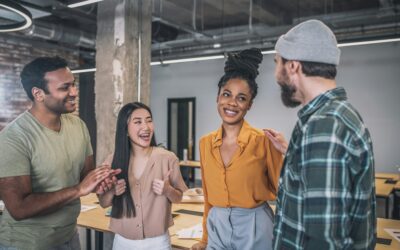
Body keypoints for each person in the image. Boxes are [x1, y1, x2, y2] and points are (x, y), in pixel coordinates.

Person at [268, 19, 376, 249]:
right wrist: (294, 155)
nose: (276, 74)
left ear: (293, 66)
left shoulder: (323, 127)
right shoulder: (339, 115)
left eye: (277, 62)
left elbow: (324, 239)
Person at [0, 56, 118, 249]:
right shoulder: (13, 138)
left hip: (69, 236)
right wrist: (79, 189)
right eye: (65, 88)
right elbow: (19, 208)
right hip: (25, 244)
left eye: (73, 84)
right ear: (38, 94)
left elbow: (85, 177)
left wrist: (103, 180)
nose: (74, 92)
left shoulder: (78, 126)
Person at [191, 48, 284, 250]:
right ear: (218, 97)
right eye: (227, 94)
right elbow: (208, 198)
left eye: (241, 98)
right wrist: (205, 239)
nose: (232, 103)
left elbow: (285, 193)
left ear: (249, 105)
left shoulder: (264, 141)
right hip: (217, 225)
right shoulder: (205, 143)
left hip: (256, 226)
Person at [98, 102, 188, 250]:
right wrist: (112, 192)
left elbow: (179, 197)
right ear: (125, 130)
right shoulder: (112, 161)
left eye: (149, 120)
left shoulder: (168, 158)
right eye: (138, 122)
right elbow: (103, 203)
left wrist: (168, 190)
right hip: (122, 243)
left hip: (158, 243)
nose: (146, 127)